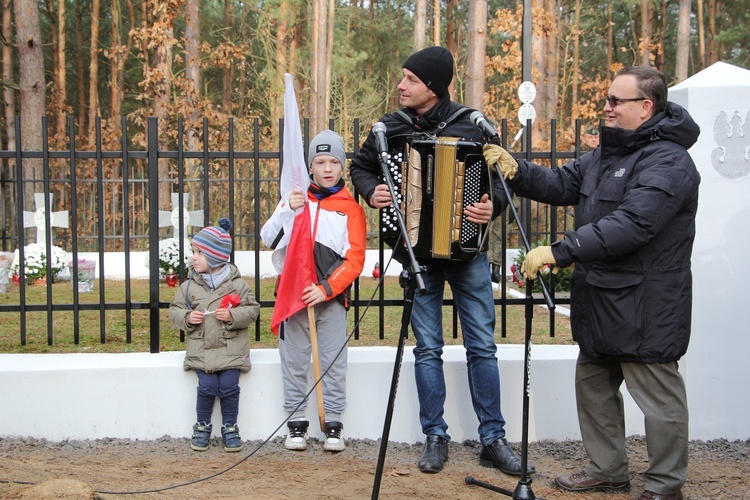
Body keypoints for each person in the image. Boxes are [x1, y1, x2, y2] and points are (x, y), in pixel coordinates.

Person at [484, 66, 699, 500]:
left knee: (658, 398)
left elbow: (634, 223)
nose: (606, 107)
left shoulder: (669, 161)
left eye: (615, 101)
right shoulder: (607, 155)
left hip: (647, 302)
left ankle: (664, 485)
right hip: (601, 296)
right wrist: (517, 171)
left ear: (645, 106)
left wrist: (561, 250)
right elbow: (562, 181)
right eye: (607, 99)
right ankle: (608, 469)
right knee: (594, 387)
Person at [349, 46, 533, 476]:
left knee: (482, 347)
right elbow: (360, 166)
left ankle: (494, 438)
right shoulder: (389, 129)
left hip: (467, 254)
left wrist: (494, 207)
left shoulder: (474, 125)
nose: (401, 85)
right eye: (402, 78)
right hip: (417, 253)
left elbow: (505, 176)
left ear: (432, 86)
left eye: (410, 79)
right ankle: (435, 435)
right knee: (427, 348)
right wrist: (371, 189)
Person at [260, 129, 367, 452]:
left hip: (329, 298)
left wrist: (326, 288)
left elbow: (355, 258)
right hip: (294, 296)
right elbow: (269, 239)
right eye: (320, 161)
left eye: (334, 161)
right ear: (310, 167)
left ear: (342, 167)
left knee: (333, 361)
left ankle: (332, 423)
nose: (327, 168)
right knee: (294, 361)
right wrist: (286, 210)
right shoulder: (294, 201)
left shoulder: (350, 209)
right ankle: (296, 424)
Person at [169, 218, 261, 453]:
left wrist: (231, 316)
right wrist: (188, 317)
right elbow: (175, 310)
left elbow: (252, 310)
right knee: (207, 387)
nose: (194, 257)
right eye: (193, 252)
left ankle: (230, 427)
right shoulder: (188, 286)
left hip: (231, 351)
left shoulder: (238, 285)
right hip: (202, 352)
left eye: (199, 252)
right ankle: (202, 426)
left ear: (217, 256)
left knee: (229, 387)